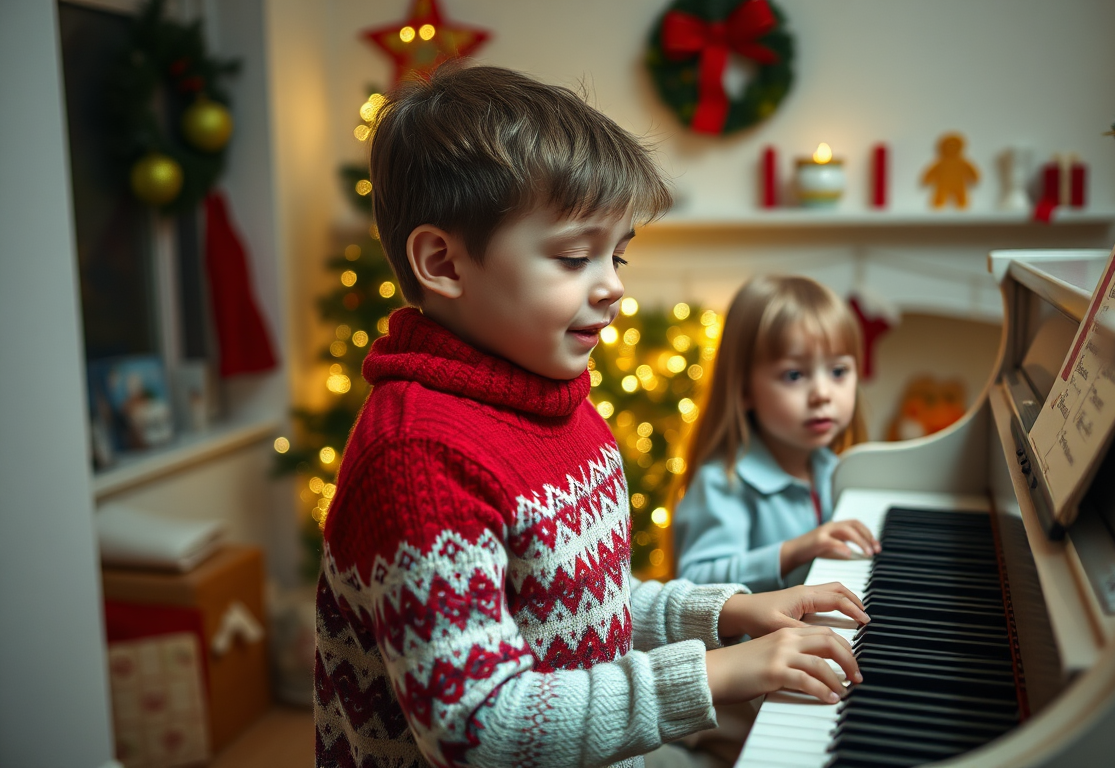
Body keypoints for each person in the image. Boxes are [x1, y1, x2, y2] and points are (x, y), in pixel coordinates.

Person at [313, 64, 867, 768]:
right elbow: (481, 727)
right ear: (443, 262)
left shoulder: (558, 407)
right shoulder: (419, 456)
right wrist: (718, 673)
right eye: (575, 256)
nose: (611, 288)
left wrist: (724, 615)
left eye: (618, 255)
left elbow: (582, 610)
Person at [674, 275, 881, 595]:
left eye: (838, 371)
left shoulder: (830, 466)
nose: (822, 394)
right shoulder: (723, 482)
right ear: (744, 389)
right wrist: (793, 552)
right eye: (795, 374)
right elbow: (695, 584)